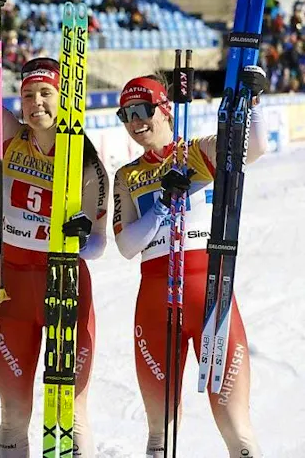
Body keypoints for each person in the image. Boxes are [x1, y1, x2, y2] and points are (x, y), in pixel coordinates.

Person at [0, 0, 109, 458]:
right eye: (28, 94)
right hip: (13, 287)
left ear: (64, 98)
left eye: (46, 93)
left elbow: (100, 244)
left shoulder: (86, 160)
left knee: (70, 411)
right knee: (13, 413)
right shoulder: (9, 135)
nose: (36, 102)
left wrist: (82, 238)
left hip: (64, 285)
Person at [112, 69, 267, 458]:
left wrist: (252, 103)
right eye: (126, 114)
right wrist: (163, 205)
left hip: (210, 296)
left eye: (143, 110)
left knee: (238, 431)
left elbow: (254, 148)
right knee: (160, 436)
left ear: (165, 108)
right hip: (156, 305)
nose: (135, 122)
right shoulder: (127, 176)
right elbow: (127, 245)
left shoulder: (199, 151)